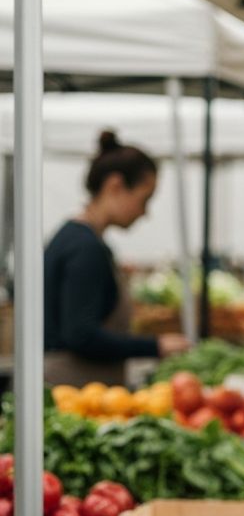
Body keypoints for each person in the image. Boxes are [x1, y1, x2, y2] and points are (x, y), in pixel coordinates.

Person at [44, 130, 189, 386]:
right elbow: (81, 335)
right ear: (115, 186)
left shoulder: (74, 238)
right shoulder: (84, 248)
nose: (145, 213)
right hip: (72, 387)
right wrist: (155, 346)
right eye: (144, 200)